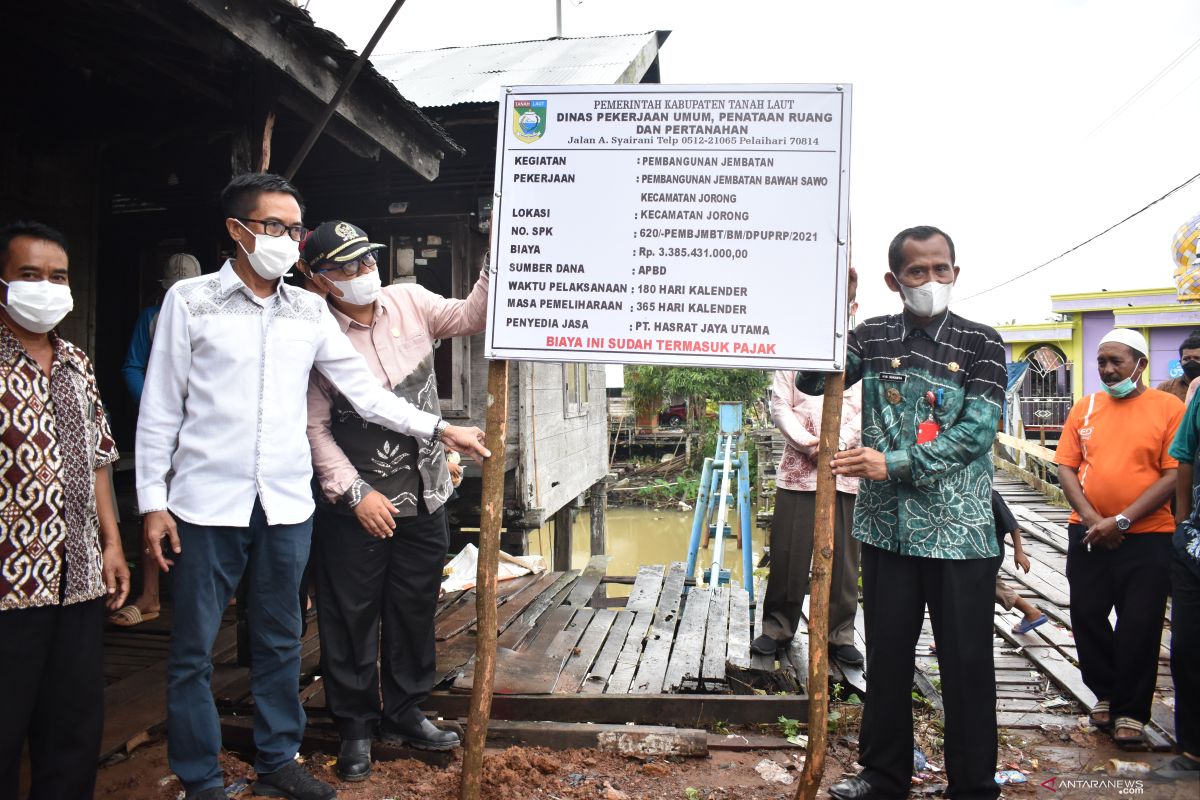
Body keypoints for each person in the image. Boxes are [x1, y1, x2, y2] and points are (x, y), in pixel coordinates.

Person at [136, 174, 490, 800]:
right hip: (203, 504)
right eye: (273, 226)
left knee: (279, 641)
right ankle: (200, 780)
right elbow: (161, 408)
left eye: (293, 228)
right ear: (236, 230)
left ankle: (278, 761)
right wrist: (152, 503)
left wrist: (440, 429)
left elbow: (366, 392)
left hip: (285, 506)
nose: (285, 238)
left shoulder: (307, 311)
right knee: (193, 650)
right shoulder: (189, 303)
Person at [802, 226, 1007, 800]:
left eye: (941, 269)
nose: (931, 281)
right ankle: (884, 776)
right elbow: (812, 377)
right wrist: (830, 315)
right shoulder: (870, 336)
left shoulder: (982, 343)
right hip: (888, 530)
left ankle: (973, 785)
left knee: (967, 663)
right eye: (917, 272)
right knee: (887, 656)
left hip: (961, 534)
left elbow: (976, 433)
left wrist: (889, 463)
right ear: (895, 280)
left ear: (956, 273)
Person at [299, 220, 489, 780]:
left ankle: (405, 710)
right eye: (346, 267)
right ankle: (355, 725)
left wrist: (501, 247)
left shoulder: (408, 299)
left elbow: (473, 315)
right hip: (359, 503)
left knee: (412, 608)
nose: (363, 274)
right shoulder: (313, 332)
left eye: (366, 261)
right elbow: (314, 429)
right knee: (350, 614)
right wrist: (355, 493)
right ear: (318, 279)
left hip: (429, 492)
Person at [0, 221, 129, 799]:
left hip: (76, 575)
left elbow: (100, 456)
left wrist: (112, 543)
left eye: (57, 277)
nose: (45, 287)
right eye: (29, 275)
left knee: (73, 724)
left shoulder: (75, 360)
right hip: (8, 583)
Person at [1054, 328, 1182, 746]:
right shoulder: (1085, 407)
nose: (1107, 370)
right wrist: (1094, 519)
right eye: (1101, 362)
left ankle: (1131, 711)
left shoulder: (1168, 408)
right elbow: (1066, 467)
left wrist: (1122, 520)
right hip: (1088, 532)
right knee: (1087, 614)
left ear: (1140, 364)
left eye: (1117, 362)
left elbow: (1173, 473)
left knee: (1140, 624)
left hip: (1148, 536)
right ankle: (1105, 692)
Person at [110, 252, 202, 627]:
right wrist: (153, 403)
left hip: (203, 432)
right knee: (153, 505)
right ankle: (150, 596)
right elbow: (132, 365)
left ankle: (225, 591)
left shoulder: (213, 313)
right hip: (167, 429)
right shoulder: (152, 318)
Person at [753, 368, 863, 666]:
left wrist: (833, 443)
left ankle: (840, 634)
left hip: (845, 463)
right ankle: (777, 627)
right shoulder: (795, 357)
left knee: (844, 558)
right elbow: (780, 408)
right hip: (799, 466)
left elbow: (866, 411)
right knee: (788, 550)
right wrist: (809, 444)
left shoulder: (859, 356)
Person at [1159, 382, 1200, 781]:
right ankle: (1192, 747)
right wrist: (1183, 524)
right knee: (1187, 649)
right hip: (1194, 546)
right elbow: (1183, 458)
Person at [990, 491, 1047, 635]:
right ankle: (1031, 612)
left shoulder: (991, 495)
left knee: (979, 586)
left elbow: (1012, 525)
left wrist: (1019, 552)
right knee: (988, 586)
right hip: (974, 553)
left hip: (991, 553)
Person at [1156, 331, 1200, 403]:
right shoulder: (1165, 388)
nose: (1192, 362)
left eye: (1197, 358)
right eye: (1187, 359)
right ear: (1180, 362)